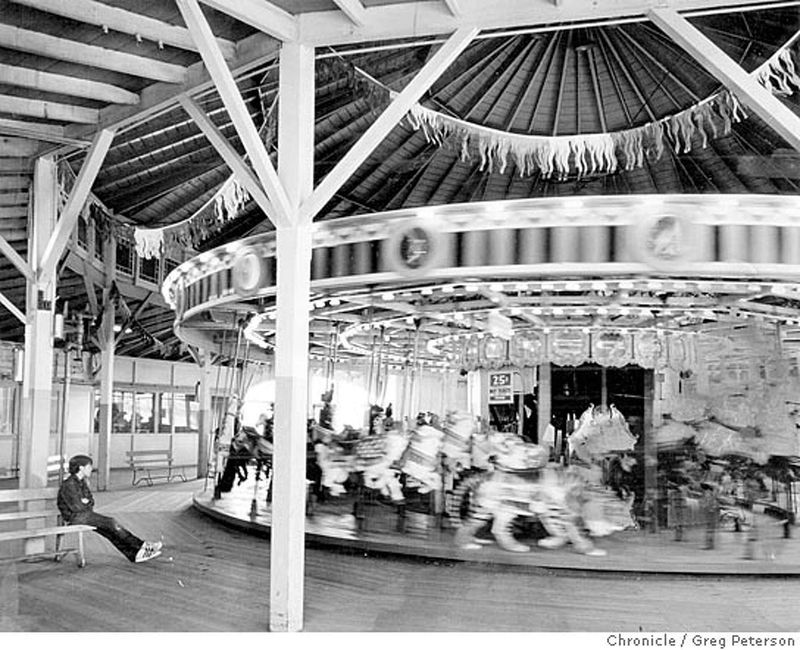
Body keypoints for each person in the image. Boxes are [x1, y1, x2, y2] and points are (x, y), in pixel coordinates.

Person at [57, 454, 163, 563]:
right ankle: (142, 545)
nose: (91, 469)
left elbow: (91, 500)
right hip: (76, 518)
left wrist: (86, 501)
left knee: (109, 531)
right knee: (111, 523)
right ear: (81, 468)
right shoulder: (69, 484)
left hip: (85, 515)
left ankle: (135, 555)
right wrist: (85, 502)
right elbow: (77, 507)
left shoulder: (82, 482)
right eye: (89, 467)